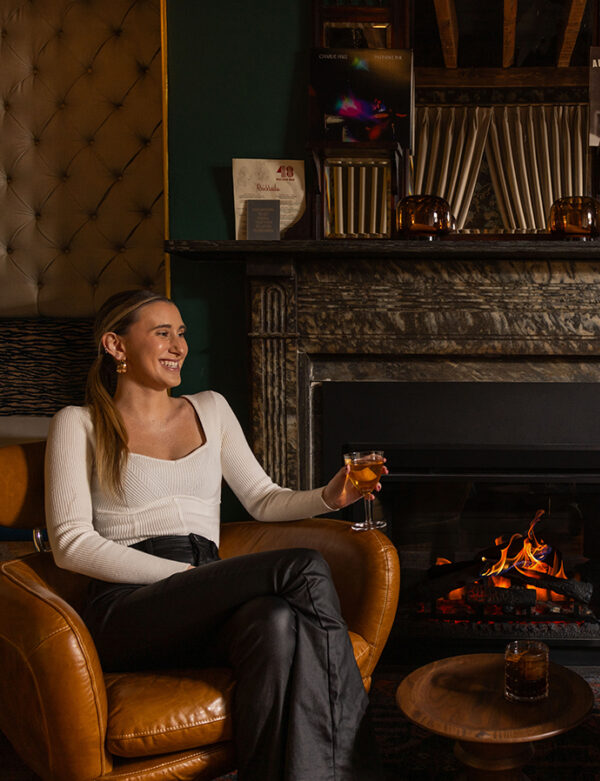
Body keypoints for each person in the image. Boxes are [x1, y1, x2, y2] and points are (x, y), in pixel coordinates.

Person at [44, 288, 385, 781]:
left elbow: (263, 499)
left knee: (273, 622)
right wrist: (181, 575)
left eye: (181, 333)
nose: (179, 346)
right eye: (162, 333)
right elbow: (72, 544)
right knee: (305, 565)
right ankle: (353, 770)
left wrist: (328, 498)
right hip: (129, 606)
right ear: (116, 346)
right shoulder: (79, 424)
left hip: (206, 589)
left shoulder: (211, 409)